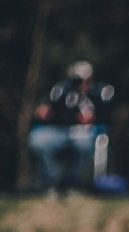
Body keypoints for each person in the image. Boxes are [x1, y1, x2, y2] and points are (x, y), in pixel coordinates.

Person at [28, 60, 114, 195]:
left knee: (83, 143)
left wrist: (94, 118)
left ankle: (74, 183)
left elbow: (107, 115)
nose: (82, 85)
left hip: (85, 132)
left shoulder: (101, 92)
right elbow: (49, 109)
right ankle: (52, 181)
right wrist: (43, 110)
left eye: (85, 81)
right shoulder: (62, 90)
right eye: (78, 81)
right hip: (60, 130)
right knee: (38, 140)